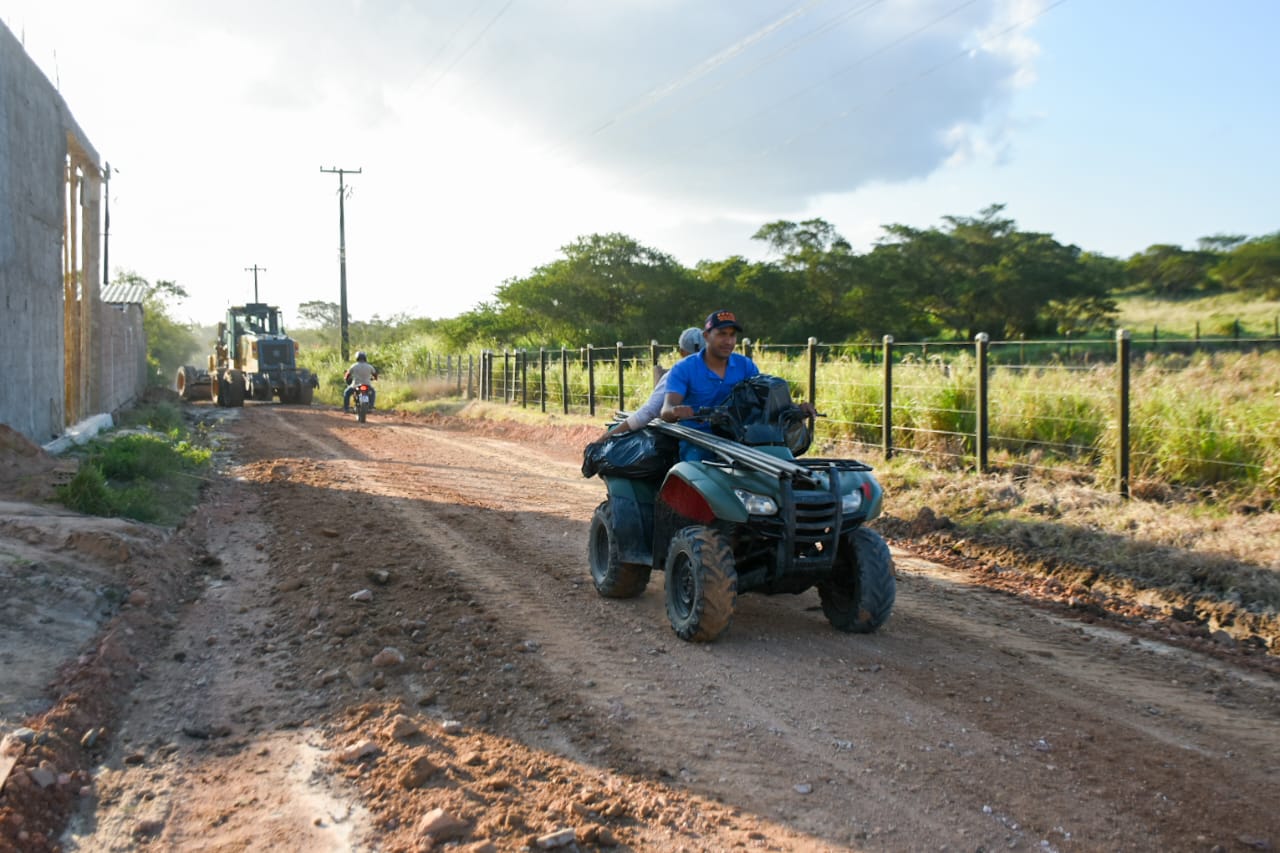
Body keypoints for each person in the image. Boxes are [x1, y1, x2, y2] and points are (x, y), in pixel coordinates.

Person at [660, 310, 761, 460]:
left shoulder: (746, 366)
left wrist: (790, 408)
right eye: (722, 334)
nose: (728, 341)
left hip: (739, 439)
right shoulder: (684, 368)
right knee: (697, 467)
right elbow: (666, 410)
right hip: (698, 440)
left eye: (732, 335)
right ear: (706, 336)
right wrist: (675, 411)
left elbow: (762, 399)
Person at [610, 327, 704, 435]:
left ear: (682, 352)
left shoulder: (675, 375)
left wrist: (607, 436)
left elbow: (648, 412)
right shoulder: (718, 373)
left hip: (687, 436)